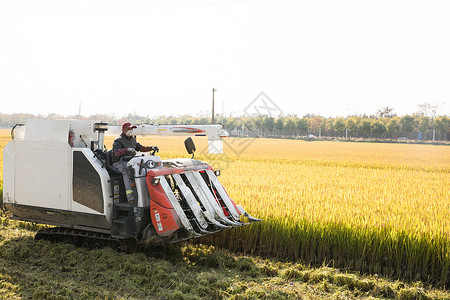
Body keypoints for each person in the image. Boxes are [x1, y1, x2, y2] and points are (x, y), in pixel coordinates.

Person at [112, 122, 159, 204]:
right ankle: (131, 198)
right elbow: (116, 152)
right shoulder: (118, 140)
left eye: (131, 129)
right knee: (128, 174)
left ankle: (142, 195)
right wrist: (127, 150)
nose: (130, 130)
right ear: (123, 130)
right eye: (128, 129)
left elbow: (140, 148)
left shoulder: (132, 139)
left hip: (129, 161)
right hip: (119, 162)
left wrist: (151, 148)